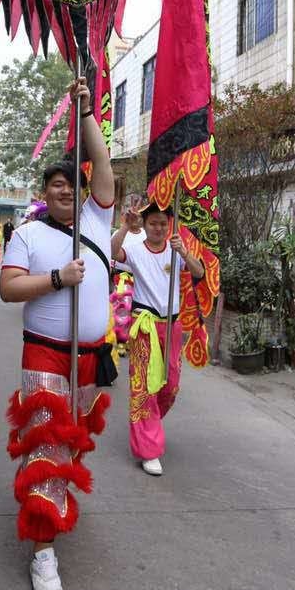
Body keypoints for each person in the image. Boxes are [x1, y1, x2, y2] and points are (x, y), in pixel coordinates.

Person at [0, 76, 116, 590]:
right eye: (55, 185)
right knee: (46, 440)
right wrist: (55, 281)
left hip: (90, 358)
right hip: (44, 350)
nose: (64, 191)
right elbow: (7, 289)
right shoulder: (27, 234)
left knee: (68, 440)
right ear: (44, 192)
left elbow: (105, 169)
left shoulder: (96, 215)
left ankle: (49, 497)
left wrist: (86, 111)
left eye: (71, 184)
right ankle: (42, 547)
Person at [111, 202, 206, 477]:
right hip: (144, 327)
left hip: (171, 328)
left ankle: (148, 425)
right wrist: (127, 227)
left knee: (170, 386)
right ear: (146, 224)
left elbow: (199, 272)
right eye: (153, 223)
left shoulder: (176, 250)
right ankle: (148, 450)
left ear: (169, 225)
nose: (158, 228)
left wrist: (185, 253)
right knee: (144, 389)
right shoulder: (137, 250)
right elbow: (112, 251)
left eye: (163, 223)